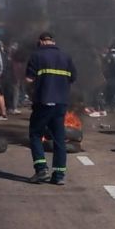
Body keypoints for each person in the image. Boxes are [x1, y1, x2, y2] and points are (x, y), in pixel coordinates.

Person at [25, 32, 77, 185]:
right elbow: (73, 78)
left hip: (43, 102)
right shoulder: (66, 57)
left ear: (41, 41)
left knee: (35, 134)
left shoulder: (36, 56)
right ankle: (59, 175)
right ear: (53, 42)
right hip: (61, 103)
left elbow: (29, 79)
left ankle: (41, 169)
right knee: (59, 138)